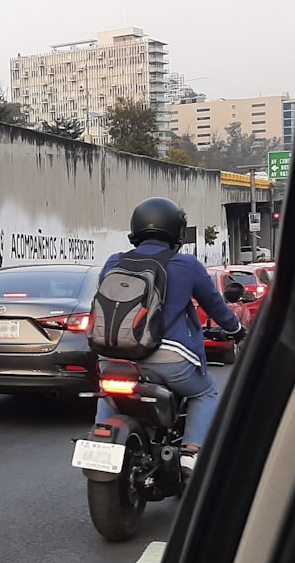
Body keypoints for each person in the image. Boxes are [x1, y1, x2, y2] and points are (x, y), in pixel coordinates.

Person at [94, 197, 246, 473]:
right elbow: (217, 307)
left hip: (112, 355)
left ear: (136, 227)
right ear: (177, 231)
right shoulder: (186, 265)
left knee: (108, 393)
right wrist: (236, 331)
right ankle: (190, 454)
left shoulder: (114, 261)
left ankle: (100, 445)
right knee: (207, 392)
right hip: (169, 360)